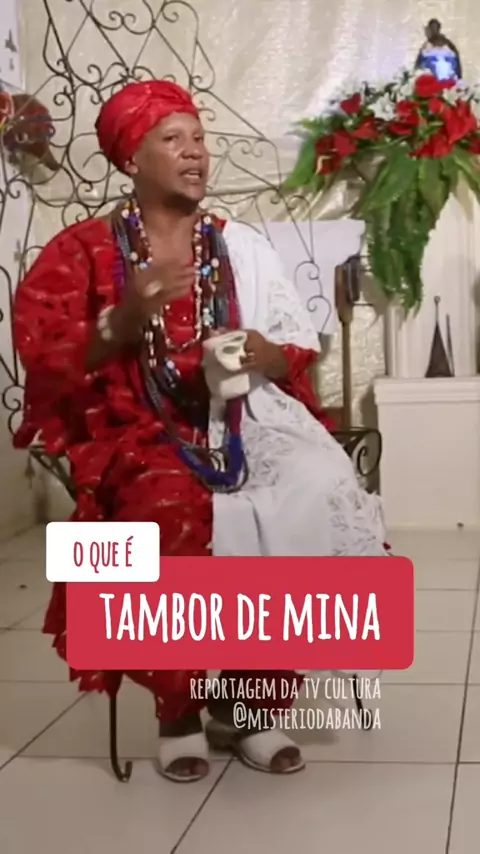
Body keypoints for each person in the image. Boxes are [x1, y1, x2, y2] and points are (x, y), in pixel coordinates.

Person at [13, 80, 388, 782]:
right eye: (173, 139)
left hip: (246, 421)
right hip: (132, 427)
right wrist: (123, 321)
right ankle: (178, 711)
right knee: (169, 509)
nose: (195, 153)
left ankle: (249, 705)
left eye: (199, 139)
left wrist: (262, 354)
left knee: (315, 483)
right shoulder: (83, 250)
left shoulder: (237, 244)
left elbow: (292, 351)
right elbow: (48, 357)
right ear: (132, 158)